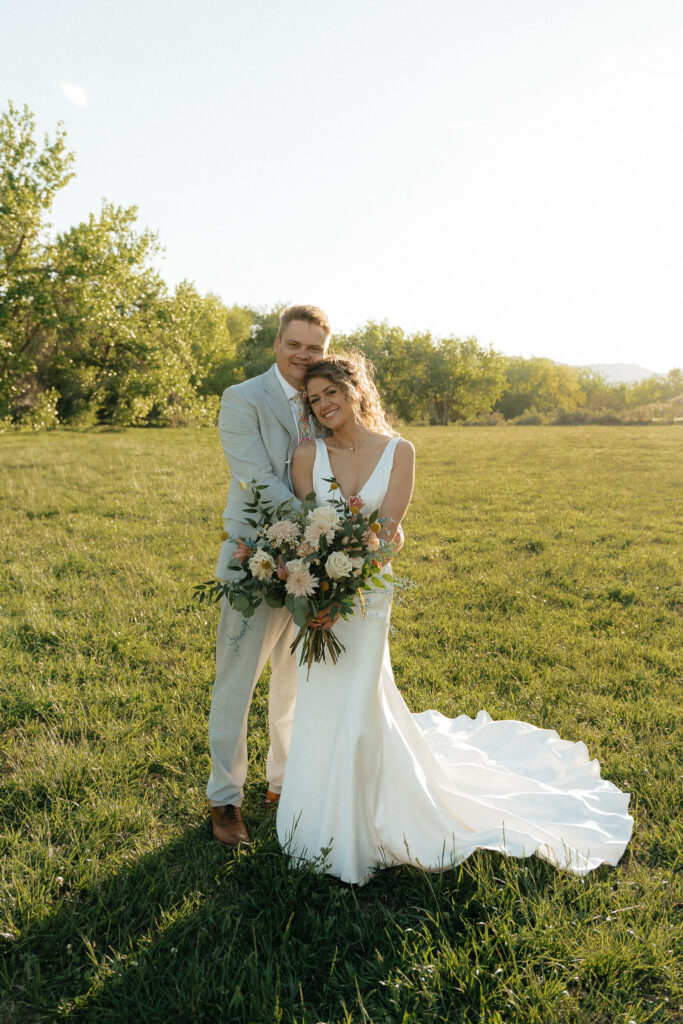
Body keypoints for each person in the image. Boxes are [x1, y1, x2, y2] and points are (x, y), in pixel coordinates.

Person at [276, 352, 634, 885]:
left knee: (356, 699)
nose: (323, 405)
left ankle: (364, 820)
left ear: (355, 389)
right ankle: (312, 814)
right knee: (319, 694)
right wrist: (313, 591)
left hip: (368, 592)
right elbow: (306, 531)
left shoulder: (400, 451)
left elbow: (387, 533)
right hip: (317, 595)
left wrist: (346, 578)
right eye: (313, 399)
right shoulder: (307, 455)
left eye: (331, 393)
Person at [207, 304, 331, 847]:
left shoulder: (326, 400)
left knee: (295, 681)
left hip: (313, 566)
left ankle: (282, 782)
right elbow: (257, 480)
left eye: (315, 348)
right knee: (237, 683)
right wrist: (322, 530)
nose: (305, 356)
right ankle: (225, 799)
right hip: (254, 558)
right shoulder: (241, 399)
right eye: (296, 344)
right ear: (277, 343)